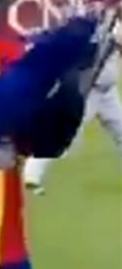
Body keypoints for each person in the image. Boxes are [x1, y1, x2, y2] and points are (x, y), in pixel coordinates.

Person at [23, 13, 122, 193]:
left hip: (108, 92)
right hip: (89, 90)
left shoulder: (111, 28)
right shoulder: (106, 29)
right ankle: (31, 174)